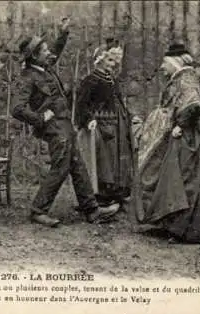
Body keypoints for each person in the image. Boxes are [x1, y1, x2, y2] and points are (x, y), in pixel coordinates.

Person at [11, 17, 119, 228]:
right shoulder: (27, 77)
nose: (48, 53)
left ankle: (92, 210)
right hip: (53, 129)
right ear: (34, 56)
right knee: (61, 168)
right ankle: (38, 210)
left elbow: (56, 50)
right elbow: (17, 108)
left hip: (64, 125)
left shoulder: (45, 67)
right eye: (43, 51)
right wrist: (40, 118)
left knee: (77, 166)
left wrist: (63, 33)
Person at [133, 44, 200, 244]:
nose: (161, 67)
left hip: (185, 139)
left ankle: (184, 230)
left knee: (184, 181)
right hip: (180, 135)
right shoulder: (181, 78)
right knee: (174, 180)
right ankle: (173, 226)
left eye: (165, 63)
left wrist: (181, 125)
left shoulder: (187, 78)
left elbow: (193, 105)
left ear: (174, 62)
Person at [74, 42, 133, 212]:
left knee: (116, 159)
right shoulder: (90, 80)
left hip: (117, 124)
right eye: (109, 60)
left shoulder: (112, 79)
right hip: (100, 125)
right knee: (103, 160)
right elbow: (81, 104)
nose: (113, 64)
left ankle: (117, 194)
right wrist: (88, 119)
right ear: (99, 60)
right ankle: (100, 198)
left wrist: (129, 117)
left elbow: (119, 101)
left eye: (114, 60)